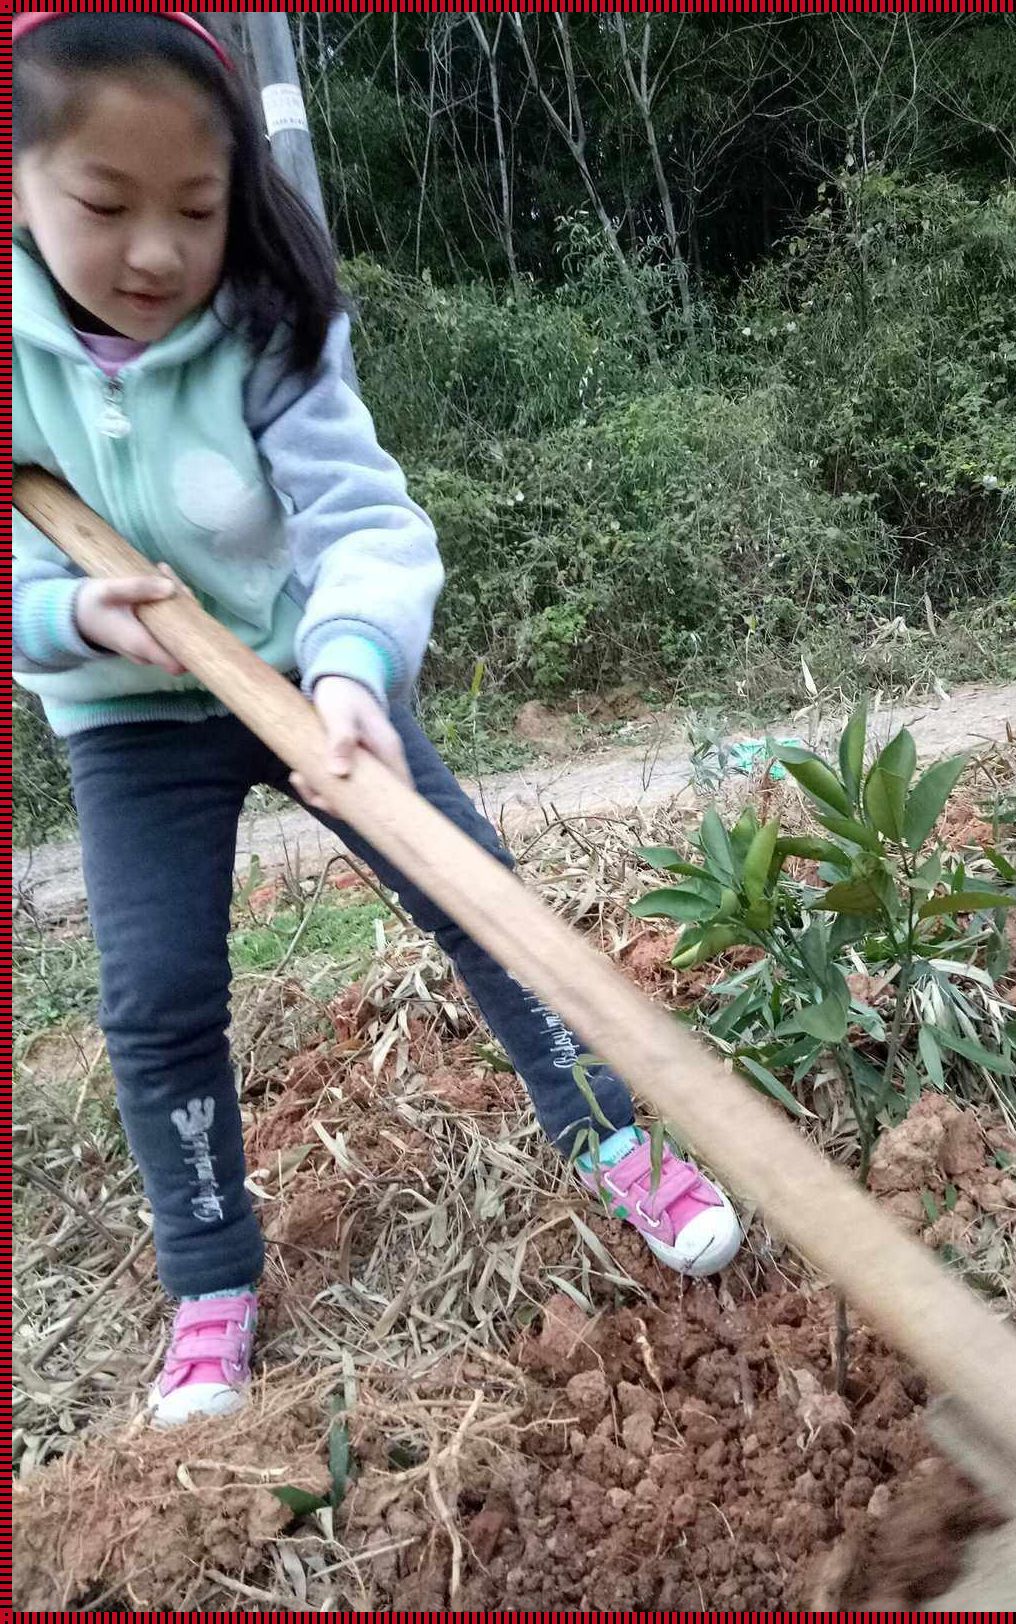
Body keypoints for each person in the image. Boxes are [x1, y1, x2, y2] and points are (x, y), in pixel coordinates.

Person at [11, 12, 741, 1425]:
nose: (156, 252)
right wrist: (65, 617)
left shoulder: (267, 324)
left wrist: (352, 669)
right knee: (156, 1005)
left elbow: (364, 520)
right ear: (21, 180)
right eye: (104, 205)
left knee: (482, 904)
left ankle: (613, 1139)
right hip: (127, 723)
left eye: (197, 208)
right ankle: (211, 1282)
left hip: (306, 681)